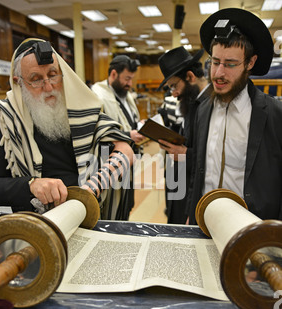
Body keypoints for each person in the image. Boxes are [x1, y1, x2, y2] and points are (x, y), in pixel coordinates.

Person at [0, 38, 133, 219]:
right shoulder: (1, 120)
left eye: (53, 75)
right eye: (36, 79)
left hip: (90, 213)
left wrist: (94, 186)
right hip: (37, 225)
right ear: (18, 82)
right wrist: (31, 185)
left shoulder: (78, 111)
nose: (49, 86)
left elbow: (125, 149)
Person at [187, 8, 282, 224]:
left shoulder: (274, 116)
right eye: (215, 62)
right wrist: (190, 215)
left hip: (252, 231)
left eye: (230, 64)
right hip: (204, 226)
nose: (219, 73)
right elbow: (198, 172)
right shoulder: (201, 109)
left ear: (250, 63)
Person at [157, 46, 210, 224]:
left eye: (174, 86)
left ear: (190, 77)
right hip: (181, 187)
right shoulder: (191, 101)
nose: (174, 94)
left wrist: (185, 154)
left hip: (194, 195)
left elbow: (214, 158)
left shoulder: (211, 105)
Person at [92, 55, 146, 219]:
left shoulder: (125, 94)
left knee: (126, 206)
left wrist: (140, 126)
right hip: (108, 164)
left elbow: (129, 120)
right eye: (127, 78)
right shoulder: (97, 95)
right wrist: (128, 135)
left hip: (128, 163)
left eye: (131, 79)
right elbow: (97, 132)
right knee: (111, 211)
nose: (130, 83)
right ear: (114, 74)